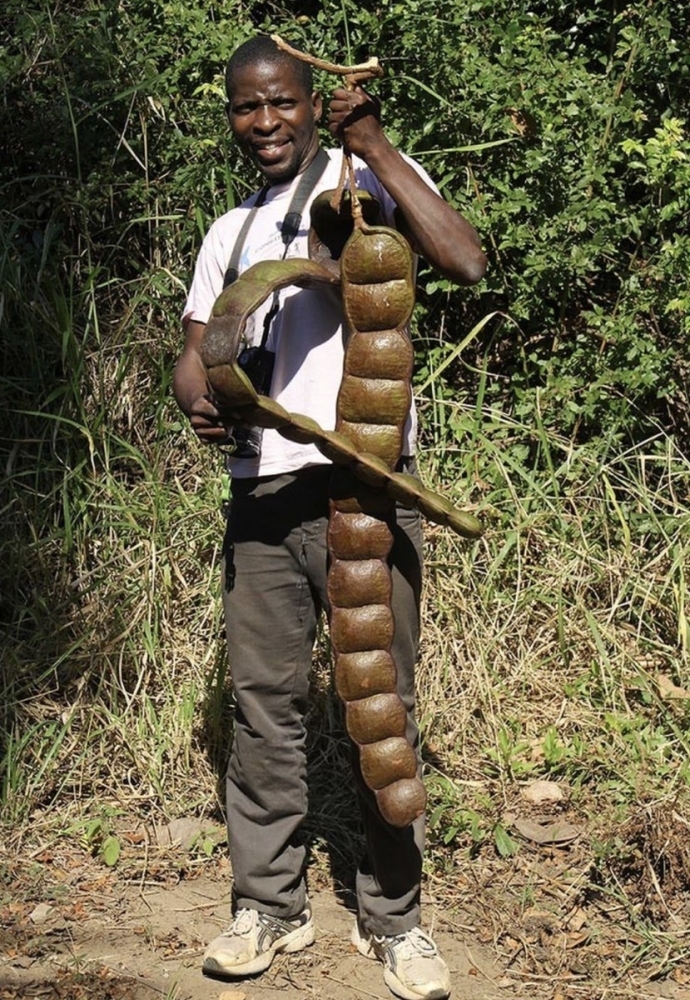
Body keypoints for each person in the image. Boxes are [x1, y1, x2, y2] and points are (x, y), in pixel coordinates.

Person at [173, 34, 486, 1000]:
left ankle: (396, 921)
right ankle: (267, 907)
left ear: (312, 102)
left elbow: (464, 260)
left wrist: (379, 143)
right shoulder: (228, 231)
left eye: (280, 103)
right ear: (231, 115)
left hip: (368, 485)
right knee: (263, 703)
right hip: (264, 490)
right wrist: (199, 387)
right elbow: (194, 353)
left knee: (381, 702)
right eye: (244, 107)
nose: (263, 122)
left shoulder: (367, 183)